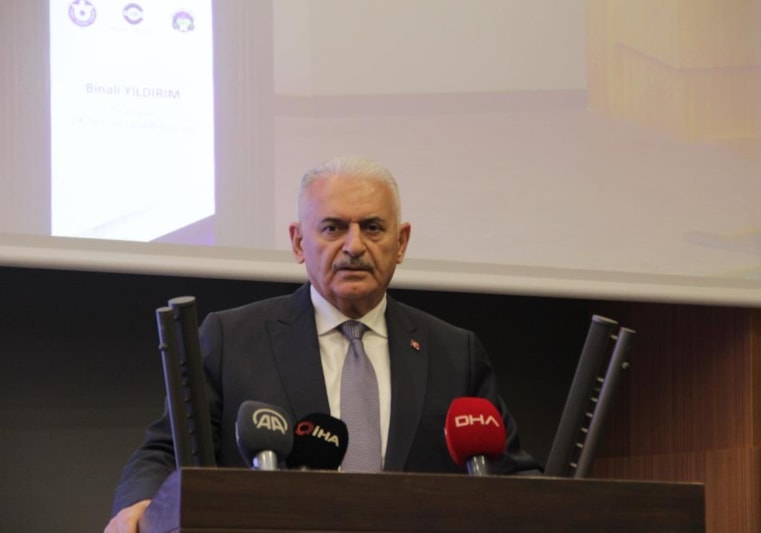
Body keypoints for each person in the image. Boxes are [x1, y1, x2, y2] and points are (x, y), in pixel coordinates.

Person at [104, 156, 538, 532]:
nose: (354, 246)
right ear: (298, 242)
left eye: (373, 228)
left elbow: (510, 474)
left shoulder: (454, 352)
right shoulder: (231, 338)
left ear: (401, 243)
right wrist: (139, 505)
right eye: (333, 228)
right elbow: (166, 450)